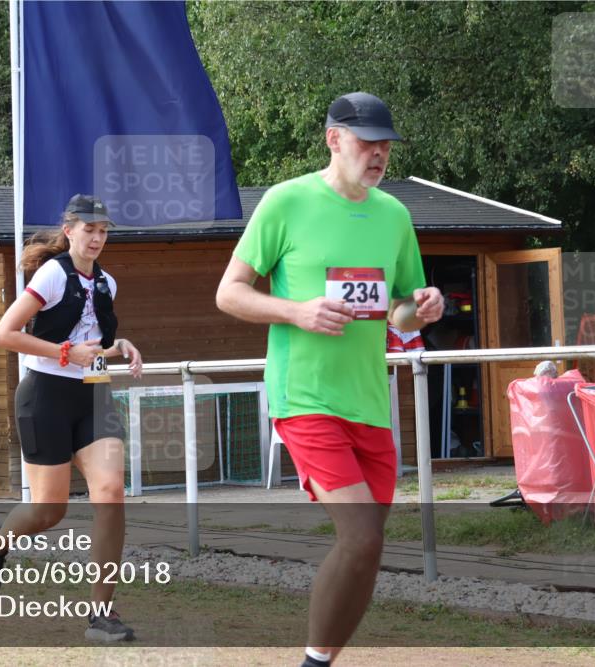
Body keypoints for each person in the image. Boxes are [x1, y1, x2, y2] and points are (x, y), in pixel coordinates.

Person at [215, 92, 444, 667]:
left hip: (368, 403)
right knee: (363, 536)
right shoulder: (286, 201)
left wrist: (424, 307)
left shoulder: (395, 215)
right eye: (368, 143)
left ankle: (320, 660)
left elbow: (398, 311)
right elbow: (229, 293)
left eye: (386, 146)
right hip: (305, 397)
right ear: (333, 139)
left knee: (366, 549)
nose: (379, 154)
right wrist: (297, 311)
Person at [0, 193, 143, 642]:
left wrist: (121, 346)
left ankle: (101, 615)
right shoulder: (52, 275)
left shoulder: (107, 283)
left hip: (93, 395)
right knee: (49, 509)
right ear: (69, 230)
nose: (97, 238)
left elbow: (96, 345)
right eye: (89, 229)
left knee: (110, 492)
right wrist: (66, 353)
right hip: (45, 396)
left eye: (104, 230)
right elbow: (5, 334)